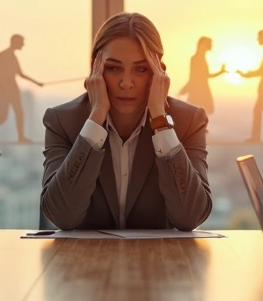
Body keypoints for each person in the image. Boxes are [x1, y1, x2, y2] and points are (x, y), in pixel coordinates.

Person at [41, 12, 211, 230]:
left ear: (159, 73)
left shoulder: (188, 121)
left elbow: (191, 217)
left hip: (160, 262)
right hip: (84, 262)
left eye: (140, 69)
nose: (126, 83)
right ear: (95, 68)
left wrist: (160, 120)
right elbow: (62, 216)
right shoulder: (63, 121)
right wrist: (95, 118)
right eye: (113, 68)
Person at [0, 34, 43, 143]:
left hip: (10, 88)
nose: (23, 45)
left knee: (16, 113)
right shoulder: (4, 55)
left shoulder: (11, 56)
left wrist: (37, 83)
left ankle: (20, 137)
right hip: (6, 89)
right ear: (15, 42)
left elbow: (20, 74)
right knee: (5, 116)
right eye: (21, 42)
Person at [178, 36, 227, 113]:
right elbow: (193, 77)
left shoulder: (201, 58)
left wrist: (221, 71)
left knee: (201, 113)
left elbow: (206, 75)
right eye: (210, 43)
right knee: (198, 113)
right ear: (203, 44)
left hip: (202, 90)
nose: (211, 45)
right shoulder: (196, 59)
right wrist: (186, 88)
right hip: (198, 91)